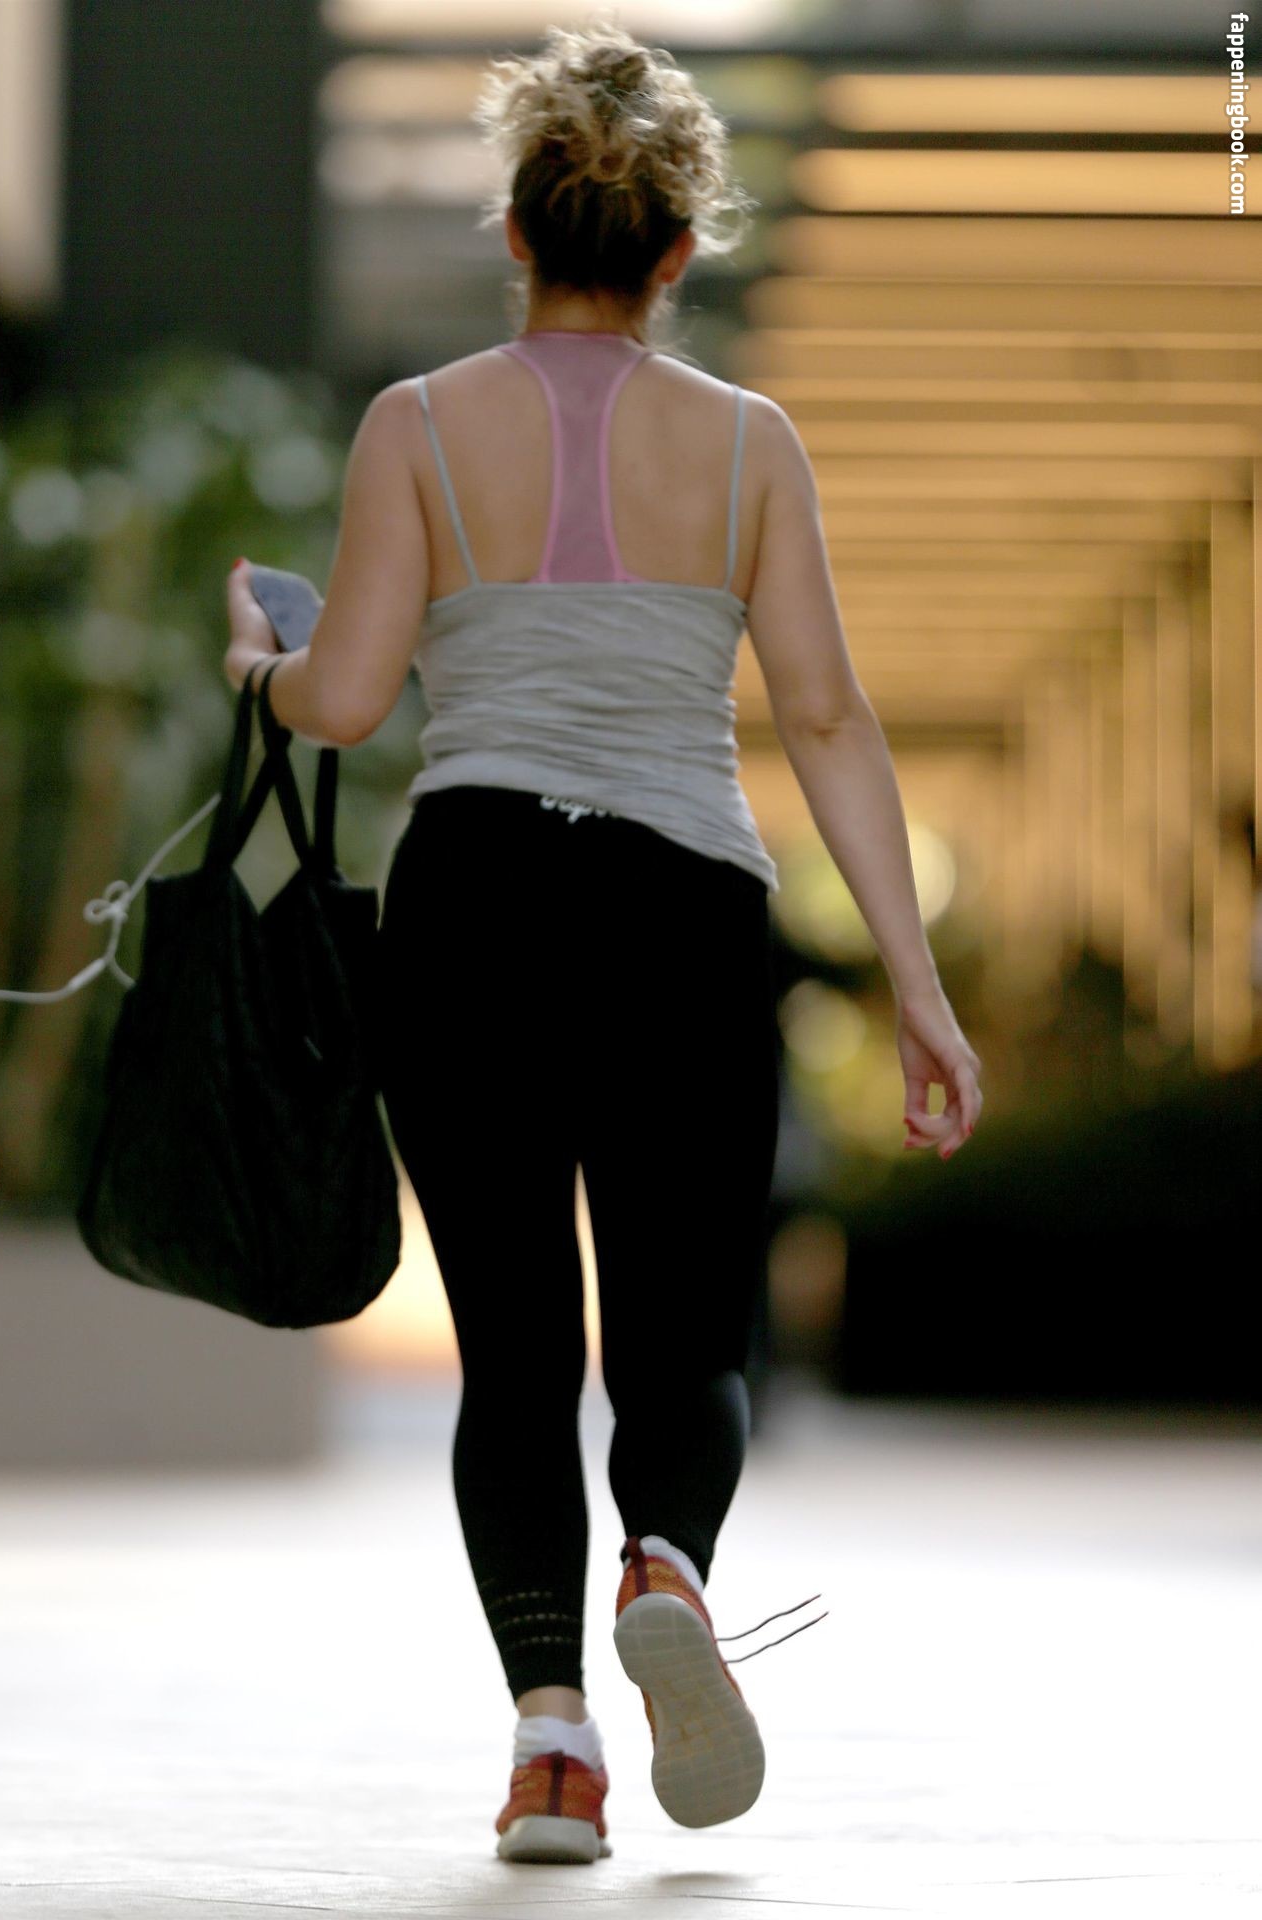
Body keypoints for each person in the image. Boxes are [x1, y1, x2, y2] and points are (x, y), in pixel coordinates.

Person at [223, 17, 982, 1868]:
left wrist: (258, 663)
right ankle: (669, 1564)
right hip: (682, 910)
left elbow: (346, 700)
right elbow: (824, 718)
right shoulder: (749, 446)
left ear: (516, 232)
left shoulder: (417, 425)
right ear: (678, 249)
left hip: (474, 905)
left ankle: (553, 1751)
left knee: (512, 1354)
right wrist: (916, 983)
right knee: (685, 1334)